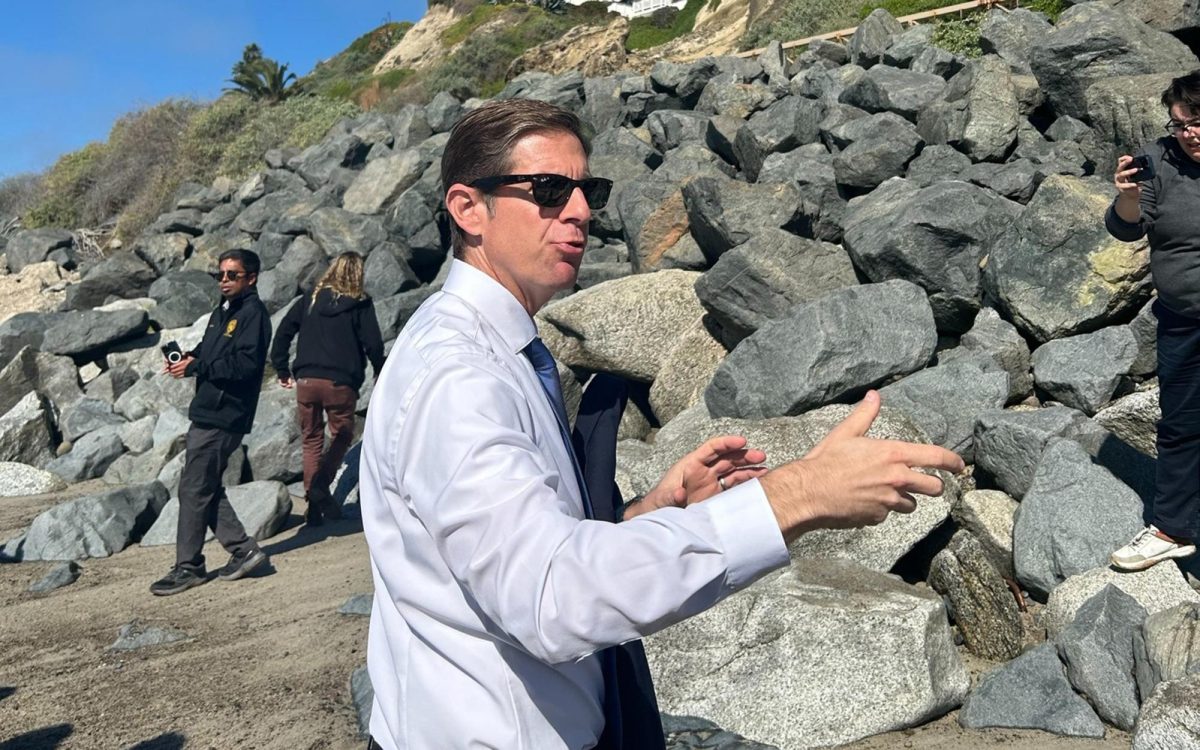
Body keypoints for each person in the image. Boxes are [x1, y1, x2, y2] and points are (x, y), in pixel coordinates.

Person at [359, 99, 964, 749]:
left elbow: (520, 555)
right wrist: (797, 495)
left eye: (586, 190)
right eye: (548, 190)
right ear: (468, 208)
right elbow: (548, 599)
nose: (581, 210)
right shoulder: (458, 378)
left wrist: (652, 513)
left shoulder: (489, 349)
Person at [1107, 70, 1200, 571]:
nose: (1189, 133)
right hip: (1183, 322)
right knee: (1182, 426)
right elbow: (1124, 228)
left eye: (1197, 121)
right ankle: (1171, 528)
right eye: (1179, 124)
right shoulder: (1158, 161)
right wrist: (1125, 195)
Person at [150, 248, 273, 596]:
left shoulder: (253, 314)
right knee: (203, 486)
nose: (224, 280)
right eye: (220, 274)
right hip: (207, 410)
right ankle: (243, 551)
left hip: (225, 414)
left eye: (232, 275)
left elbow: (247, 367)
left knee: (194, 488)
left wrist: (197, 368)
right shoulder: (223, 312)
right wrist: (190, 358)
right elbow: (210, 351)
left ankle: (188, 566)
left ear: (251, 278)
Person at [269, 251, 385, 526]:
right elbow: (374, 344)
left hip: (307, 381)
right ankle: (321, 485)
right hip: (340, 383)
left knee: (311, 439)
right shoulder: (360, 303)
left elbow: (283, 332)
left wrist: (282, 368)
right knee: (342, 435)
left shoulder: (309, 298)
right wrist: (381, 370)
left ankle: (314, 507)